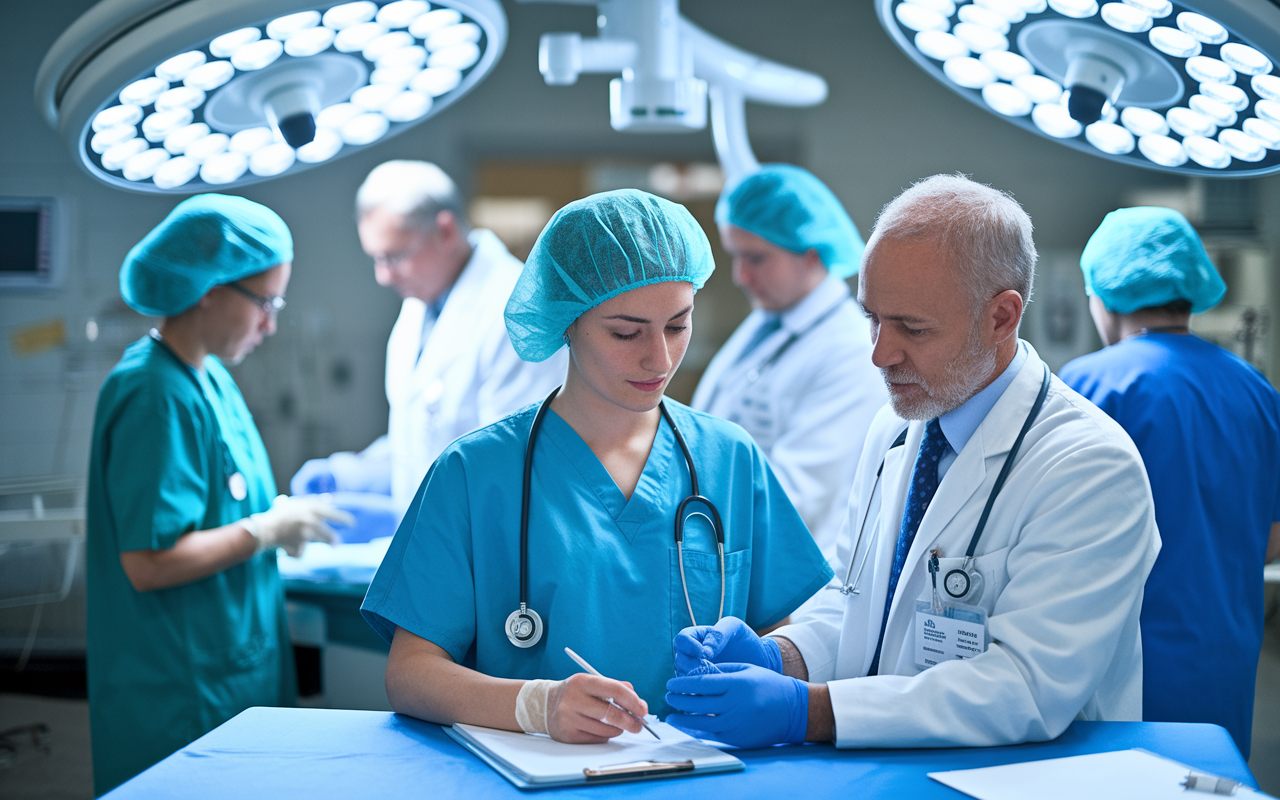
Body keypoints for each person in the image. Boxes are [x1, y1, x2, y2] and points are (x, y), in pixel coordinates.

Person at [663, 175, 1160, 750]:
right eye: (873, 317)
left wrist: (809, 712)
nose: (880, 353)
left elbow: (1026, 687)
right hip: (895, 766)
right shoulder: (898, 428)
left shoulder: (1090, 468)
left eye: (912, 328)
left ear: (1001, 317)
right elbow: (855, 600)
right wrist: (782, 655)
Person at [360, 189, 833, 742]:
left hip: (701, 776)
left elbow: (775, 634)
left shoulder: (729, 459)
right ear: (567, 320)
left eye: (677, 326)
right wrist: (535, 704)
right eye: (625, 333)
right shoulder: (475, 472)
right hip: (536, 777)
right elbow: (409, 673)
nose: (658, 359)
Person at [86, 195, 350, 793]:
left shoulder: (209, 379)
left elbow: (221, 509)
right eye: (264, 303)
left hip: (235, 662)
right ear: (209, 289)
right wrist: (264, 532)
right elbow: (150, 564)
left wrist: (272, 519)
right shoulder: (153, 393)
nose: (270, 325)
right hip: (180, 684)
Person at [1058, 207, 1280, 759]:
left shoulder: (1087, 384)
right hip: (1222, 655)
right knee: (1210, 782)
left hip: (1119, 663)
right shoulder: (1254, 389)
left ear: (1104, 296)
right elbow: (1273, 537)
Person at [290, 160, 566, 525]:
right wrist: (357, 474)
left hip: (483, 548)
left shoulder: (516, 315)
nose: (382, 276)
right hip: (436, 540)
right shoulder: (422, 305)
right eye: (375, 258)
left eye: (393, 257)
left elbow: (512, 468)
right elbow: (424, 433)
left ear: (446, 231)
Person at [692, 165, 886, 564]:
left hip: (779, 574)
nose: (740, 276)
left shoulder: (849, 351)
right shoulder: (769, 322)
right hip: (721, 544)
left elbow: (796, 497)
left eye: (756, 258)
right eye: (735, 256)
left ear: (811, 253)